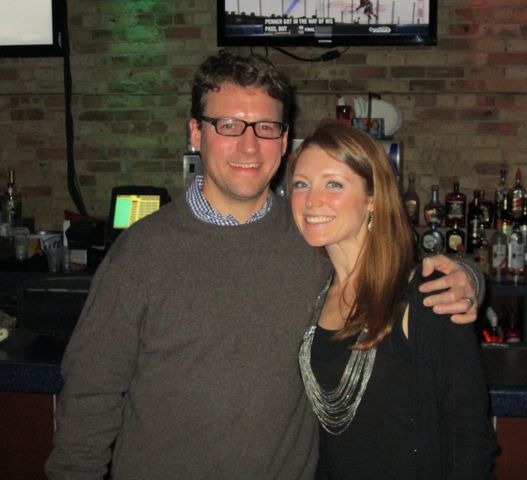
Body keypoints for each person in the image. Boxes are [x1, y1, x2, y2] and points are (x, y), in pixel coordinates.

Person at [46, 50, 481, 480]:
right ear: (196, 133)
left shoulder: (310, 235)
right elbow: (89, 396)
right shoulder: (140, 254)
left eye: (266, 127)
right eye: (229, 125)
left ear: (284, 139)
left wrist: (468, 277)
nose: (249, 145)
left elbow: (389, 268)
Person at [288, 123, 497, 479]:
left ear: (372, 198)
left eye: (333, 184)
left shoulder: (426, 295)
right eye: (301, 184)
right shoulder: (313, 289)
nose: (311, 200)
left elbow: (468, 436)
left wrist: (471, 275)